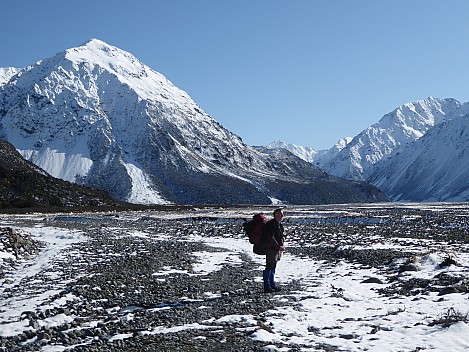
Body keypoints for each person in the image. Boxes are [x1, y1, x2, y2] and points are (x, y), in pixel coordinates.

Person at [261, 208, 285, 293]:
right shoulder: (271, 224)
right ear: (274, 215)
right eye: (279, 214)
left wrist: (280, 246)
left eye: (282, 214)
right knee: (269, 266)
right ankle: (267, 286)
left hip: (276, 249)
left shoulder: (278, 224)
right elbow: (270, 237)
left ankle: (272, 285)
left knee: (273, 266)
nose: (281, 216)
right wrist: (278, 246)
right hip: (271, 249)